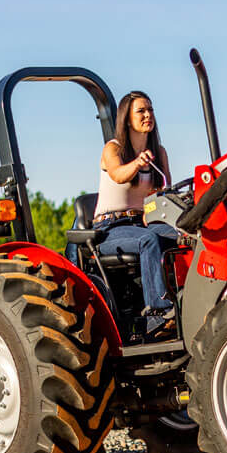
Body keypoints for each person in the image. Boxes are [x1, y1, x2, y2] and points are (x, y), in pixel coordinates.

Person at [95, 90, 177, 332]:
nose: (148, 115)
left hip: (142, 224)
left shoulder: (159, 153)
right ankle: (157, 314)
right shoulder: (113, 149)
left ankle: (186, 303)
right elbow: (118, 175)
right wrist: (138, 163)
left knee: (184, 237)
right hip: (109, 229)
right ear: (127, 119)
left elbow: (164, 191)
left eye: (150, 110)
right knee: (149, 240)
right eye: (141, 111)